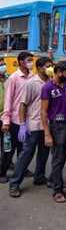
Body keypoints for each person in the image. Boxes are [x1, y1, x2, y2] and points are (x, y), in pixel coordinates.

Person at [8, 57, 53, 197]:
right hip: (33, 124)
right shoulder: (32, 83)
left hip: (46, 125)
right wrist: (22, 125)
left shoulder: (51, 82)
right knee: (26, 155)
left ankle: (39, 177)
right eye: (47, 66)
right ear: (39, 68)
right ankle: (14, 184)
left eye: (51, 65)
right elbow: (23, 105)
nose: (50, 68)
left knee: (44, 154)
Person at [41, 61, 66, 203]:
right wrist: (47, 133)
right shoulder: (47, 87)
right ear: (59, 71)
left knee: (63, 156)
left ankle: (57, 179)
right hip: (56, 126)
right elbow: (43, 111)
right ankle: (57, 190)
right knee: (57, 158)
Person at [0, 52, 34, 183]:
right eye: (29, 60)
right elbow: (8, 100)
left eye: (32, 60)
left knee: (24, 148)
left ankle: (22, 169)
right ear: (21, 62)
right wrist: (6, 121)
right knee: (9, 149)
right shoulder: (13, 78)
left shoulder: (32, 77)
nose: (31, 62)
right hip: (14, 119)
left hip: (27, 119)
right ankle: (2, 172)